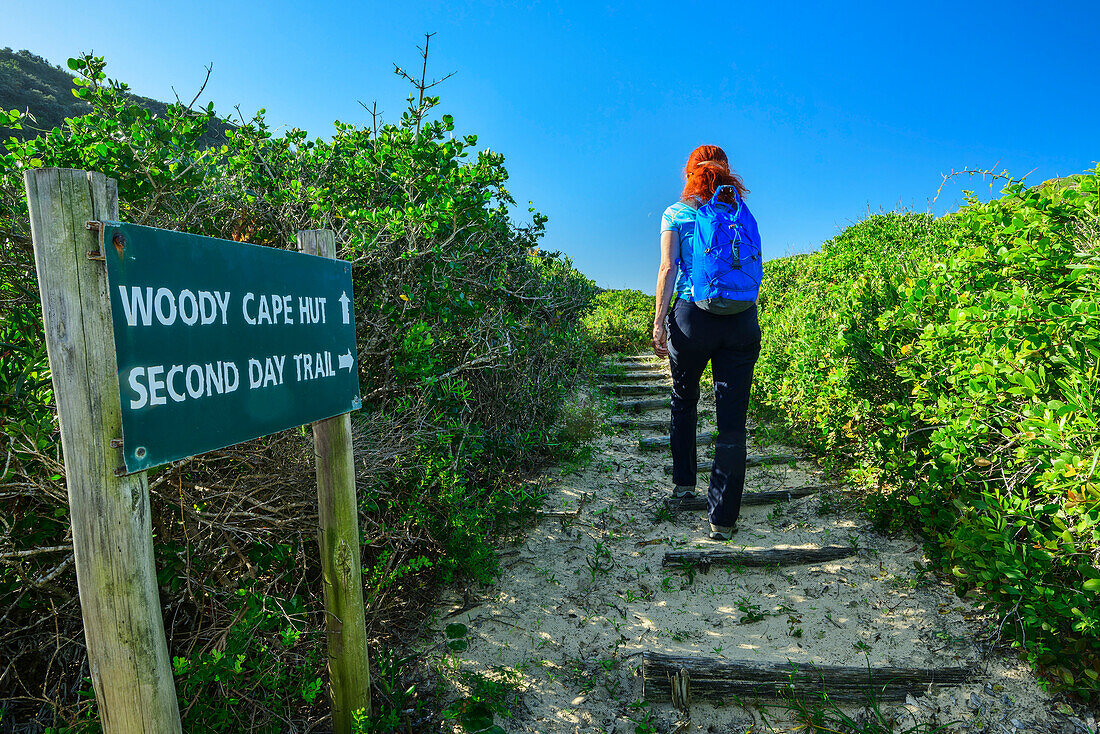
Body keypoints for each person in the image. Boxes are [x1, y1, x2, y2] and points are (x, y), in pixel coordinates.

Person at [652, 145, 761, 541]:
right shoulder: (737, 211)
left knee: (684, 399)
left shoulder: (676, 213)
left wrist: (659, 320)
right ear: (726, 172)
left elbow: (668, 268)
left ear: (690, 173)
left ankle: (684, 485)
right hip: (741, 320)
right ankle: (723, 519)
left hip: (692, 316)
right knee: (732, 422)